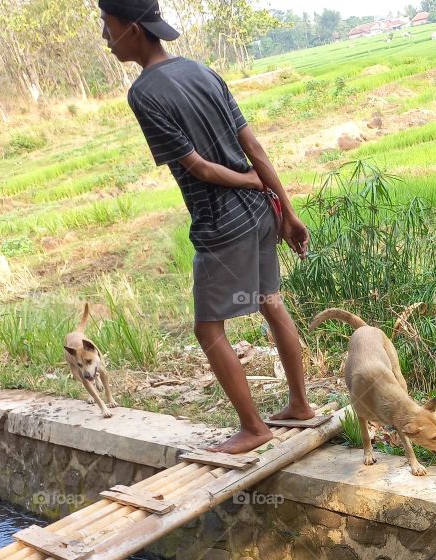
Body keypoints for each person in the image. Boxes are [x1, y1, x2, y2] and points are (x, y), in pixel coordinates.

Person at [99, 0, 315, 454]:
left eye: (108, 24)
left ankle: (254, 428)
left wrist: (248, 181)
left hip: (224, 222)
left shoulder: (144, 93)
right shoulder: (202, 70)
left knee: (208, 328)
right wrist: (285, 207)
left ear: (132, 29)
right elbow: (252, 144)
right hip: (260, 213)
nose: (105, 35)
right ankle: (299, 405)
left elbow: (198, 168)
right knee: (270, 302)